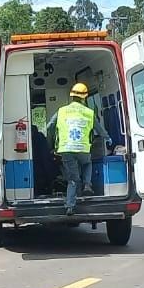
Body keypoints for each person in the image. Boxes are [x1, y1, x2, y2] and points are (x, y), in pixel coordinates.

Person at [54, 82, 97, 216]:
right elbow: (99, 129)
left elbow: (50, 126)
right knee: (87, 162)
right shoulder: (89, 112)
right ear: (84, 97)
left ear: (71, 96)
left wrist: (51, 142)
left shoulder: (62, 111)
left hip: (66, 149)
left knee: (73, 179)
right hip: (83, 149)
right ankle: (87, 184)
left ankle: (70, 206)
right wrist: (107, 137)